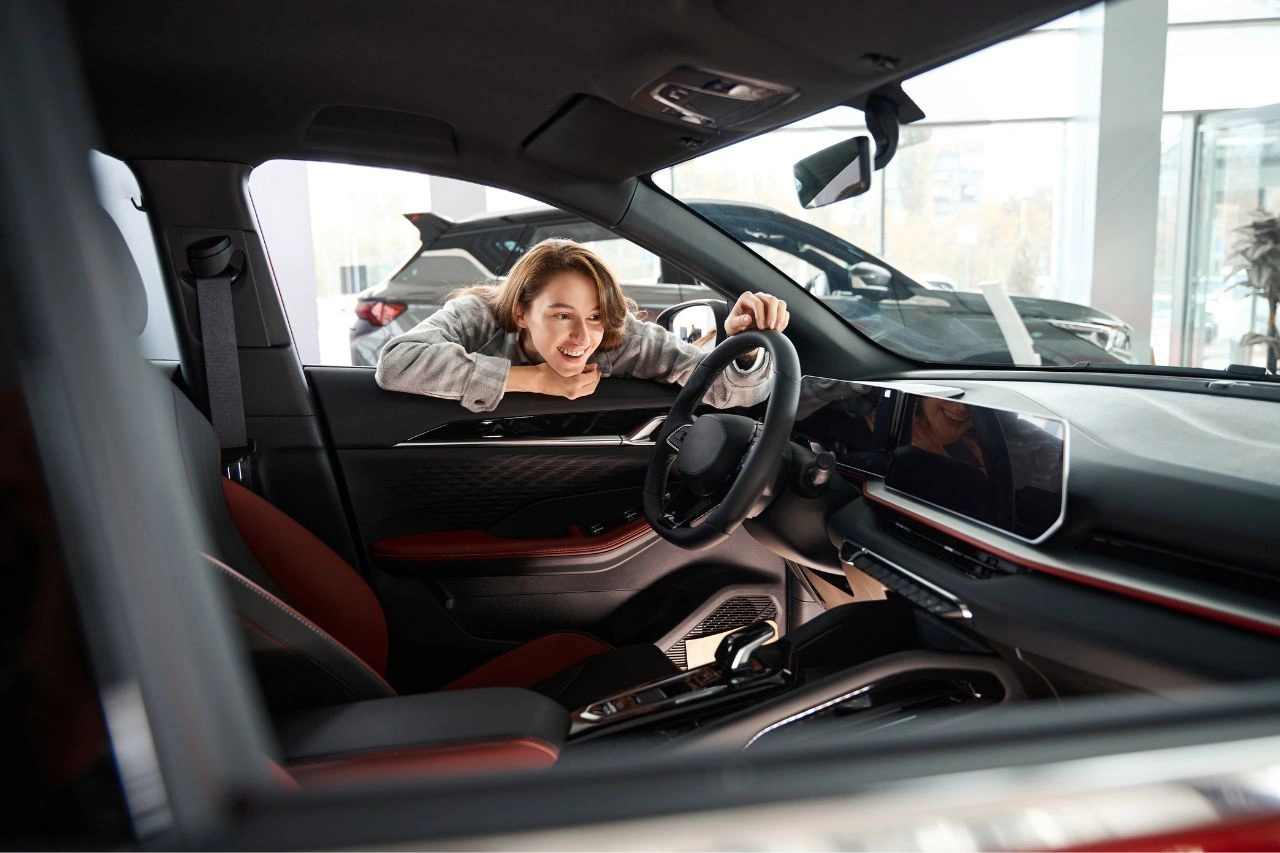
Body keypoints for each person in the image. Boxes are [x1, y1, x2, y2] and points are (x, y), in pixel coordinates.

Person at [375, 239, 788, 412]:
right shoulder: (479, 315)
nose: (583, 336)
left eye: (594, 316)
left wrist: (745, 345)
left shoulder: (621, 336)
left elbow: (730, 392)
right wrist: (534, 379)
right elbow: (397, 364)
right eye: (561, 315)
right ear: (521, 312)